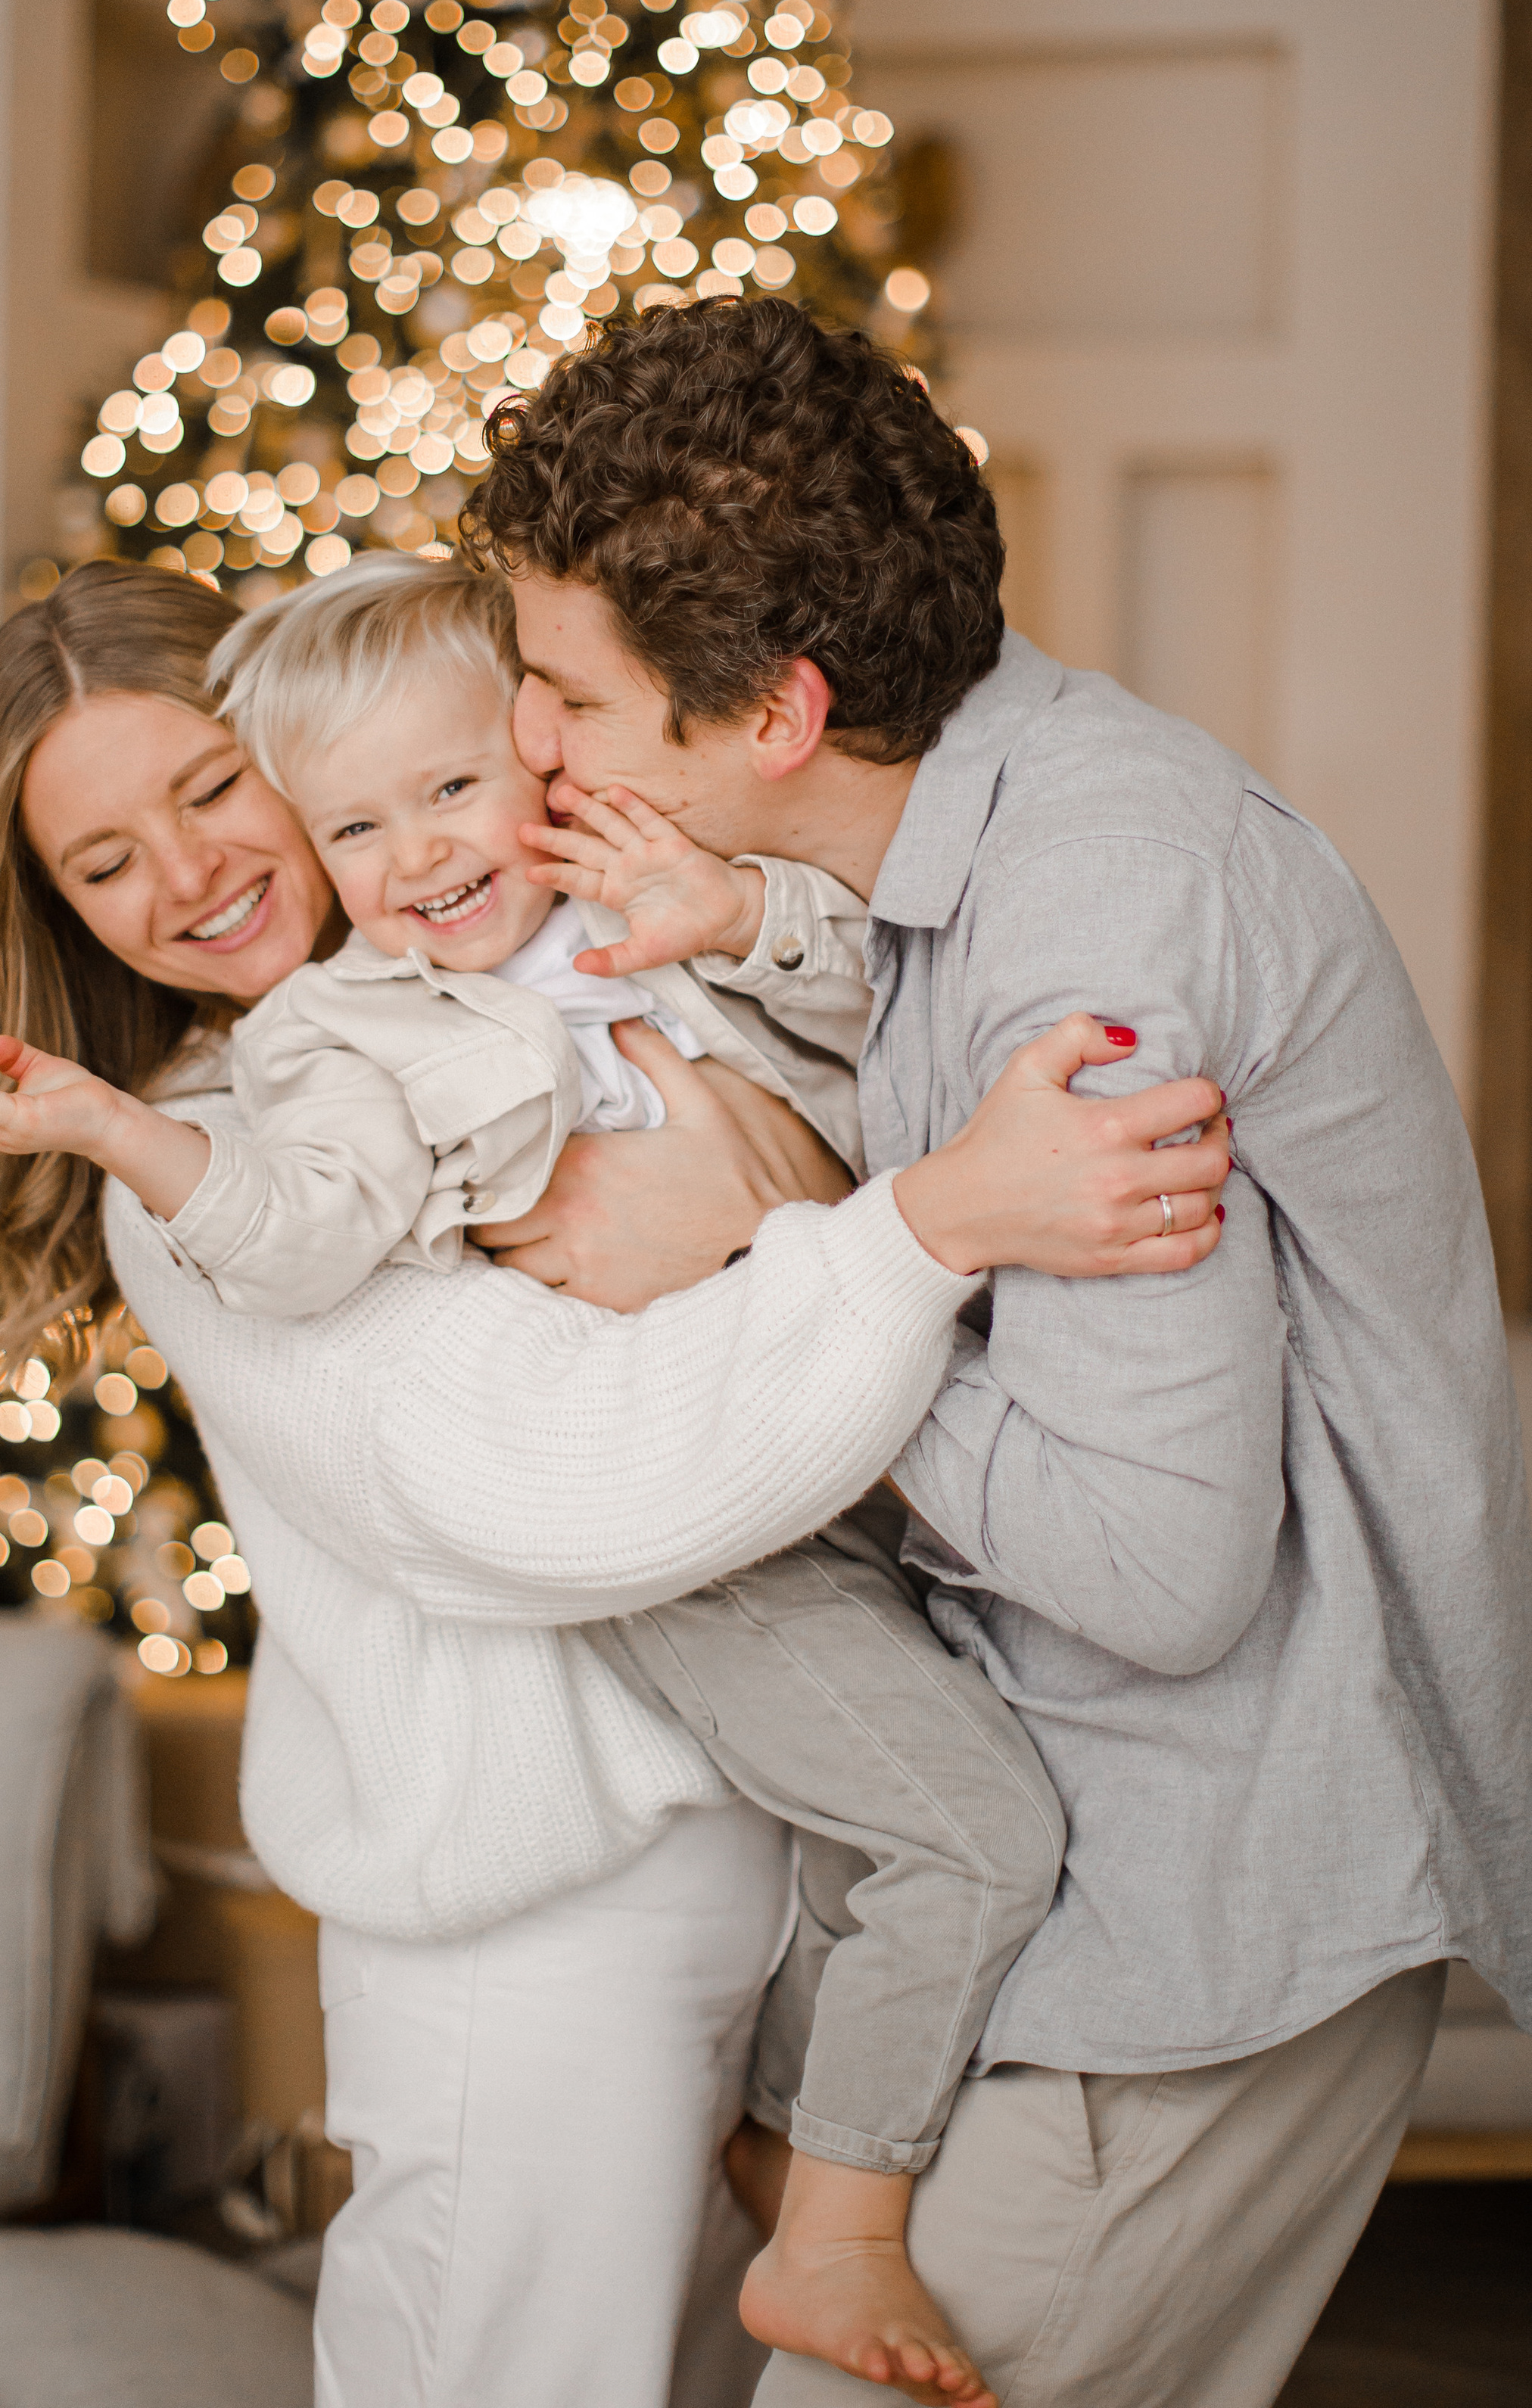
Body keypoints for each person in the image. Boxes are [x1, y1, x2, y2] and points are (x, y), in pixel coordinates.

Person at [0, 559, 1232, 2408]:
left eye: (210, 791)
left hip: (744, 1868)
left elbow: (832, 1027)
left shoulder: (538, 954)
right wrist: (908, 1225)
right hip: (529, 1944)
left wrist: (769, 1203)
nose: (193, 874)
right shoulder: (222, 1167)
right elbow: (564, 1488)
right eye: (103, 862)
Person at [463, 292, 1532, 2408]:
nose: (530, 751)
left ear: (775, 709)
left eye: (563, 694)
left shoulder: (1099, 914)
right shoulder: (957, 811)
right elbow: (910, 1048)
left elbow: (1159, 1573)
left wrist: (769, 1257)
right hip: (1056, 1883)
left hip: (1186, 1922)